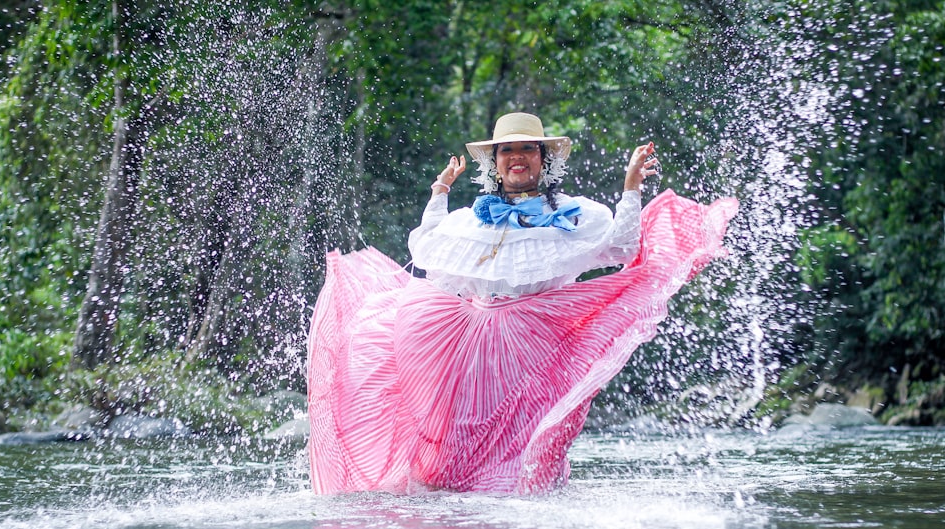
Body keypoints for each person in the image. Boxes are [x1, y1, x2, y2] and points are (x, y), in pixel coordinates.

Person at [307, 112, 738, 494]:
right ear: (494, 163)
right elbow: (427, 251)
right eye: (507, 151)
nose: (517, 158)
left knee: (532, 440)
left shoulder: (576, 213)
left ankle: (526, 510)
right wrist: (439, 194)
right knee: (448, 439)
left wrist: (630, 189)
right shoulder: (470, 218)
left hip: (536, 340)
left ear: (543, 159)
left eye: (527, 150)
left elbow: (622, 250)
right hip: (464, 338)